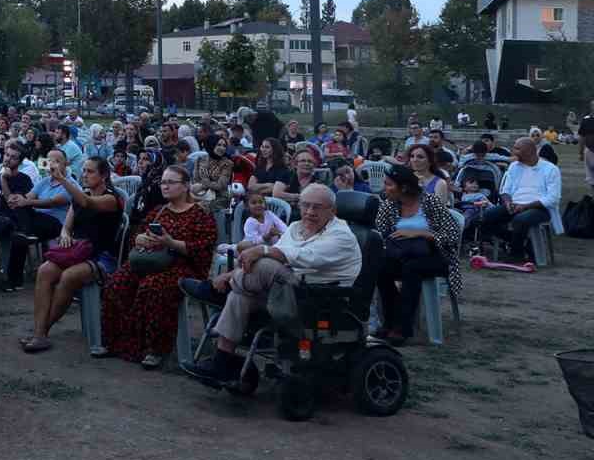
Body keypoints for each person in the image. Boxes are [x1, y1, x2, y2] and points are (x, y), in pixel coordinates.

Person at [181, 183, 361, 387]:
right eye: (305, 205)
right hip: (282, 291)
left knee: (265, 262)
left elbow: (302, 258)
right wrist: (229, 273)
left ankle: (213, 292)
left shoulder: (341, 235)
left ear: (332, 211)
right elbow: (273, 255)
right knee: (240, 296)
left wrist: (261, 251)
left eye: (317, 207)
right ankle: (222, 364)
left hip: (316, 300)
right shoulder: (295, 228)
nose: (310, 212)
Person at [99, 163, 216, 369]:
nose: (165, 186)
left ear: (186, 186)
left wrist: (170, 243)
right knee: (117, 283)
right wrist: (141, 239)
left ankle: (155, 348)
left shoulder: (200, 214)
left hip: (183, 264)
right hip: (151, 260)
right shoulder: (159, 211)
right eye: (163, 182)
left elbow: (202, 249)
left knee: (153, 287)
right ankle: (116, 341)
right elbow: (138, 234)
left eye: (171, 182)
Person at [22, 156, 124, 353]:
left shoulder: (111, 199)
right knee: (45, 270)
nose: (85, 175)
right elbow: (66, 227)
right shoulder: (81, 194)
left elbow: (86, 202)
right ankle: (39, 333)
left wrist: (61, 179)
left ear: (103, 175)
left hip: (101, 256)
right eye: (84, 170)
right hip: (77, 252)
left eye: (90, 171)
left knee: (68, 276)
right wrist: (66, 235)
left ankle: (41, 333)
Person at [371, 164, 461, 343]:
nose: (384, 188)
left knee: (412, 269)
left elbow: (453, 234)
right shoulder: (388, 205)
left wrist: (423, 234)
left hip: (434, 255)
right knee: (381, 269)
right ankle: (391, 322)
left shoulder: (430, 202)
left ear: (403, 187)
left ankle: (402, 328)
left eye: (389, 184)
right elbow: (379, 233)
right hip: (400, 254)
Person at [0, 147, 72, 291]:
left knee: (20, 224)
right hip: (35, 218)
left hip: (56, 222)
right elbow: (28, 196)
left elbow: (53, 202)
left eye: (57, 161)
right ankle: (15, 281)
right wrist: (19, 199)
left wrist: (25, 202)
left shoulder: (70, 183)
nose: (52, 164)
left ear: (66, 164)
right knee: (18, 233)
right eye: (49, 160)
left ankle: (23, 233)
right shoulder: (45, 181)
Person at [479, 136, 563, 262]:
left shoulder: (550, 169)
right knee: (487, 216)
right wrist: (507, 203)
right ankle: (518, 242)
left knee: (520, 220)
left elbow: (553, 198)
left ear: (529, 151)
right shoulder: (514, 166)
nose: (513, 151)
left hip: (540, 208)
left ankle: (516, 254)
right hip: (514, 205)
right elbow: (505, 190)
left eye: (517, 149)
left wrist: (525, 206)